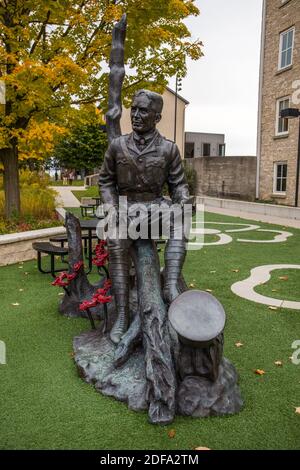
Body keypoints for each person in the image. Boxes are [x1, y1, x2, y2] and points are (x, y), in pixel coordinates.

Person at [99, 89, 190, 345]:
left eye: (143, 111)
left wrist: (183, 199)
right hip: (126, 208)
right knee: (116, 239)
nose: (136, 115)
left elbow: (178, 185)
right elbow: (105, 182)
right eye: (134, 109)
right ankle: (123, 314)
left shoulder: (169, 149)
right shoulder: (117, 145)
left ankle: (170, 284)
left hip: (155, 206)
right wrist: (112, 208)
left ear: (157, 117)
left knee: (181, 216)